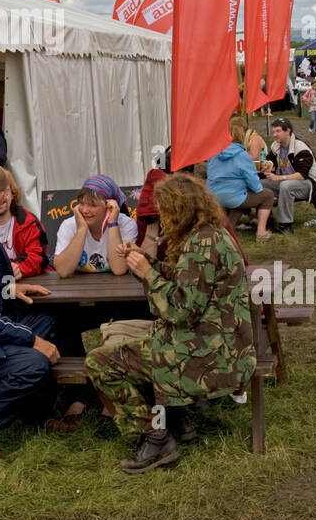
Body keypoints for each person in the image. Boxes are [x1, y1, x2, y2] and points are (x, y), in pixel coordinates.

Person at [85, 174, 256, 473]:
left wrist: (147, 275)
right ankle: (175, 421)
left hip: (211, 357)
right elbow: (188, 282)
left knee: (100, 361)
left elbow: (180, 311)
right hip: (220, 345)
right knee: (127, 338)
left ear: (180, 210)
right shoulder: (209, 235)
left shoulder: (202, 243)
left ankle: (156, 434)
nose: (161, 217)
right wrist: (147, 263)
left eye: (164, 210)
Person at [0, 163, 57, 461]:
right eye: (5, 191)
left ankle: (34, 413)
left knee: (48, 321)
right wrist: (31, 341)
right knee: (33, 364)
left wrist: (10, 289)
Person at [53, 175, 137, 276]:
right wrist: (82, 229)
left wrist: (113, 222)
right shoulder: (69, 225)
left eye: (92, 205)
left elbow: (119, 269)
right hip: (78, 289)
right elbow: (63, 271)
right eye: (82, 203)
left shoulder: (126, 224)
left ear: (109, 205)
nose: (85, 210)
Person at [260, 117, 316, 232]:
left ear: (288, 131)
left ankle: (286, 226)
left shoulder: (300, 147)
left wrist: (278, 177)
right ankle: (266, 219)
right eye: (273, 131)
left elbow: (302, 175)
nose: (275, 134)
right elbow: (269, 161)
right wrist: (266, 166)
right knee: (260, 184)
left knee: (286, 186)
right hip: (286, 181)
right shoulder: (276, 145)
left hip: (310, 185)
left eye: (278, 131)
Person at [205, 131, 274, 241]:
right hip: (233, 197)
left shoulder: (213, 153)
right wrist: (257, 189)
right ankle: (261, 232)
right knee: (267, 195)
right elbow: (252, 180)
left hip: (212, 195)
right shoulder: (241, 154)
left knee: (242, 198)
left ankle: (227, 230)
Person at [0, 172, 50, 279]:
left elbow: (39, 256)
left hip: (27, 284)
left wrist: (19, 268)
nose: (0, 197)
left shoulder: (29, 222)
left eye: (4, 191)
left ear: (13, 193)